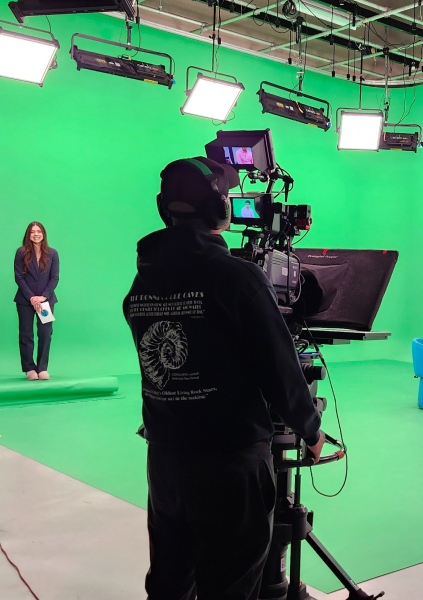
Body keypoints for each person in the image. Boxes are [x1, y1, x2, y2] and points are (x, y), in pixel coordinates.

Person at [122, 156, 325, 600]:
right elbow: (280, 368)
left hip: (166, 461)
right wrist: (310, 430)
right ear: (219, 208)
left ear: (164, 209)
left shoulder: (142, 282)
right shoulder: (237, 278)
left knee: (170, 583)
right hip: (230, 464)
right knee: (230, 586)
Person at [14, 222, 59, 381]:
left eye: (38, 231)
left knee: (45, 333)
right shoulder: (21, 252)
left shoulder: (52, 253)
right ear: (28, 234)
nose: (36, 234)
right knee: (26, 334)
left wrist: (43, 297)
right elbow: (19, 277)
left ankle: (42, 368)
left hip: (46, 301)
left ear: (43, 233)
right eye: (32, 232)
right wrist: (32, 298)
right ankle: (29, 368)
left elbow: (54, 277)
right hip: (25, 301)